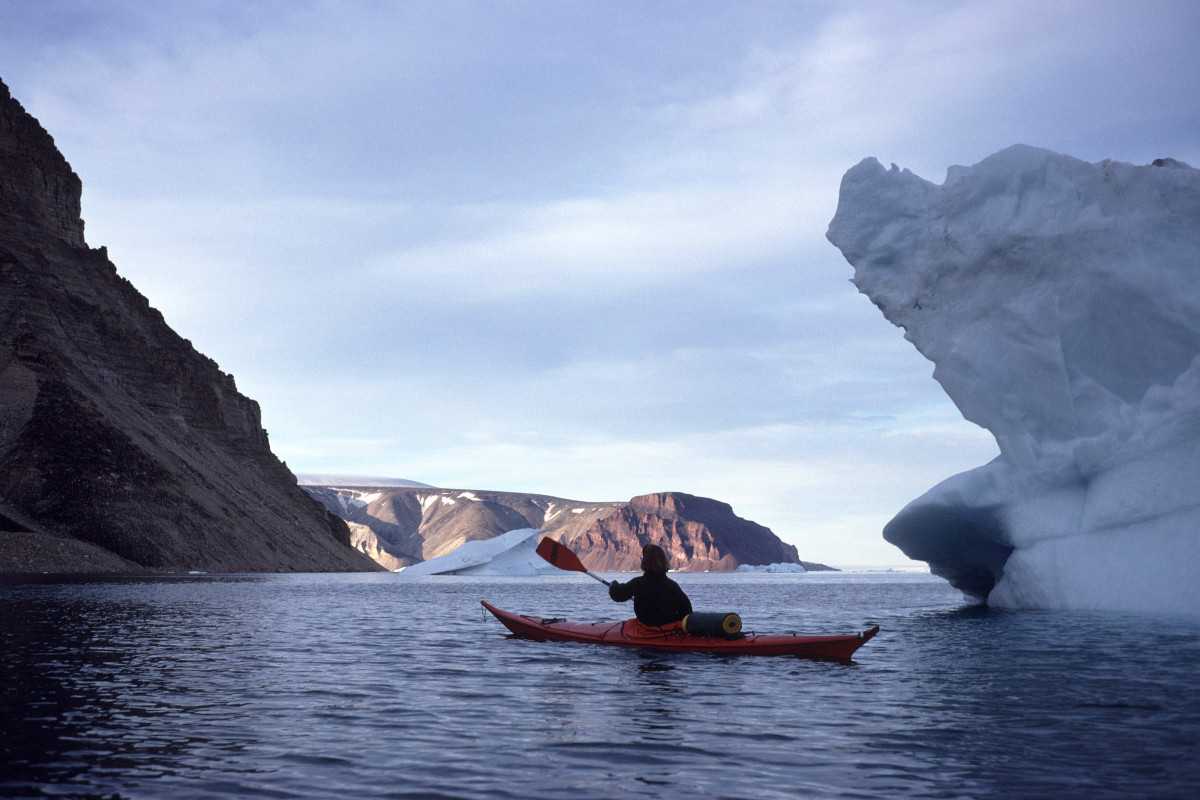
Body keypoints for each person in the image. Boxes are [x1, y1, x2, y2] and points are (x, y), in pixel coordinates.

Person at [608, 544, 692, 627]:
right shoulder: (672, 586)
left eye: (642, 558)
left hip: (646, 629)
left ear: (645, 562)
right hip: (668, 628)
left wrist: (613, 584)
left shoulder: (638, 583)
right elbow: (687, 611)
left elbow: (618, 595)